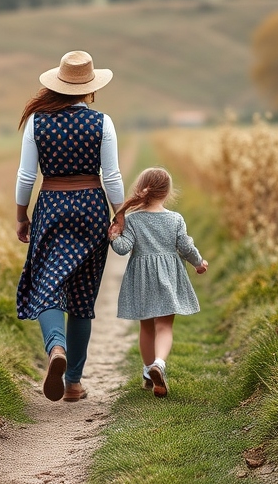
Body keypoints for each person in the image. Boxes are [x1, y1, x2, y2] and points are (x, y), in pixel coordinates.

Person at [15, 50, 124, 403]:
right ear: (90, 89)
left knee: (46, 284)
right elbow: (112, 176)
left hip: (51, 208)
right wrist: (119, 213)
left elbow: (26, 176)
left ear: (58, 85)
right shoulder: (102, 123)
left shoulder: (36, 122)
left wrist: (21, 215)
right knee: (82, 297)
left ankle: (55, 348)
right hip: (92, 209)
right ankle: (74, 383)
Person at [108, 167, 208, 397]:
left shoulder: (132, 220)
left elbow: (123, 249)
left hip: (141, 278)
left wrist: (113, 235)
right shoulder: (175, 219)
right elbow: (185, 247)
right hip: (168, 278)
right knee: (164, 326)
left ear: (141, 190)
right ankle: (159, 364)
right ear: (166, 193)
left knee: (146, 326)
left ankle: (147, 372)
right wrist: (199, 263)